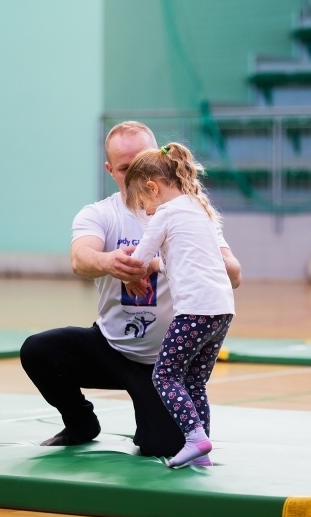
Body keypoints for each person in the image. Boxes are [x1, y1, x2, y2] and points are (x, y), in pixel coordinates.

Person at [19, 121, 241, 461]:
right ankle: (80, 423)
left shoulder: (187, 212)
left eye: (143, 162)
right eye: (126, 168)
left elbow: (234, 273)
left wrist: (190, 257)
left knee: (162, 446)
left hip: (164, 360)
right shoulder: (99, 213)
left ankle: (161, 424)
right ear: (110, 170)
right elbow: (81, 259)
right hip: (110, 347)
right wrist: (110, 262)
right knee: (37, 350)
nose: (138, 174)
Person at [122, 142, 234, 468]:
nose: (146, 212)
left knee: (165, 376)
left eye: (144, 204)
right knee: (194, 381)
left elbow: (141, 260)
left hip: (195, 309)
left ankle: (195, 437)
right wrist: (156, 265)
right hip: (222, 308)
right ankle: (203, 455)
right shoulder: (199, 208)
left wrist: (133, 272)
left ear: (152, 188)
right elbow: (182, 258)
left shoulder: (166, 213)